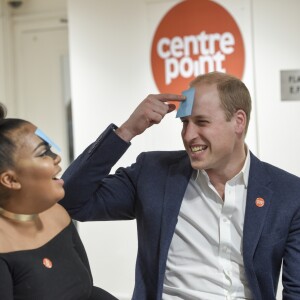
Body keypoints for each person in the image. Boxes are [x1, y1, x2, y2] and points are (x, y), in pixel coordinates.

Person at [60, 71, 300, 300]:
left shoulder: (288, 193)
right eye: (185, 123)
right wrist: (127, 130)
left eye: (201, 122)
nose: (188, 135)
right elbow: (71, 200)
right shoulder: (154, 173)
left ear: (238, 121)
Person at [0, 103, 118, 300]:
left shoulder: (58, 215)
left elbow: (86, 291)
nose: (56, 158)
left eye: (50, 149)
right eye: (42, 153)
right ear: (10, 180)